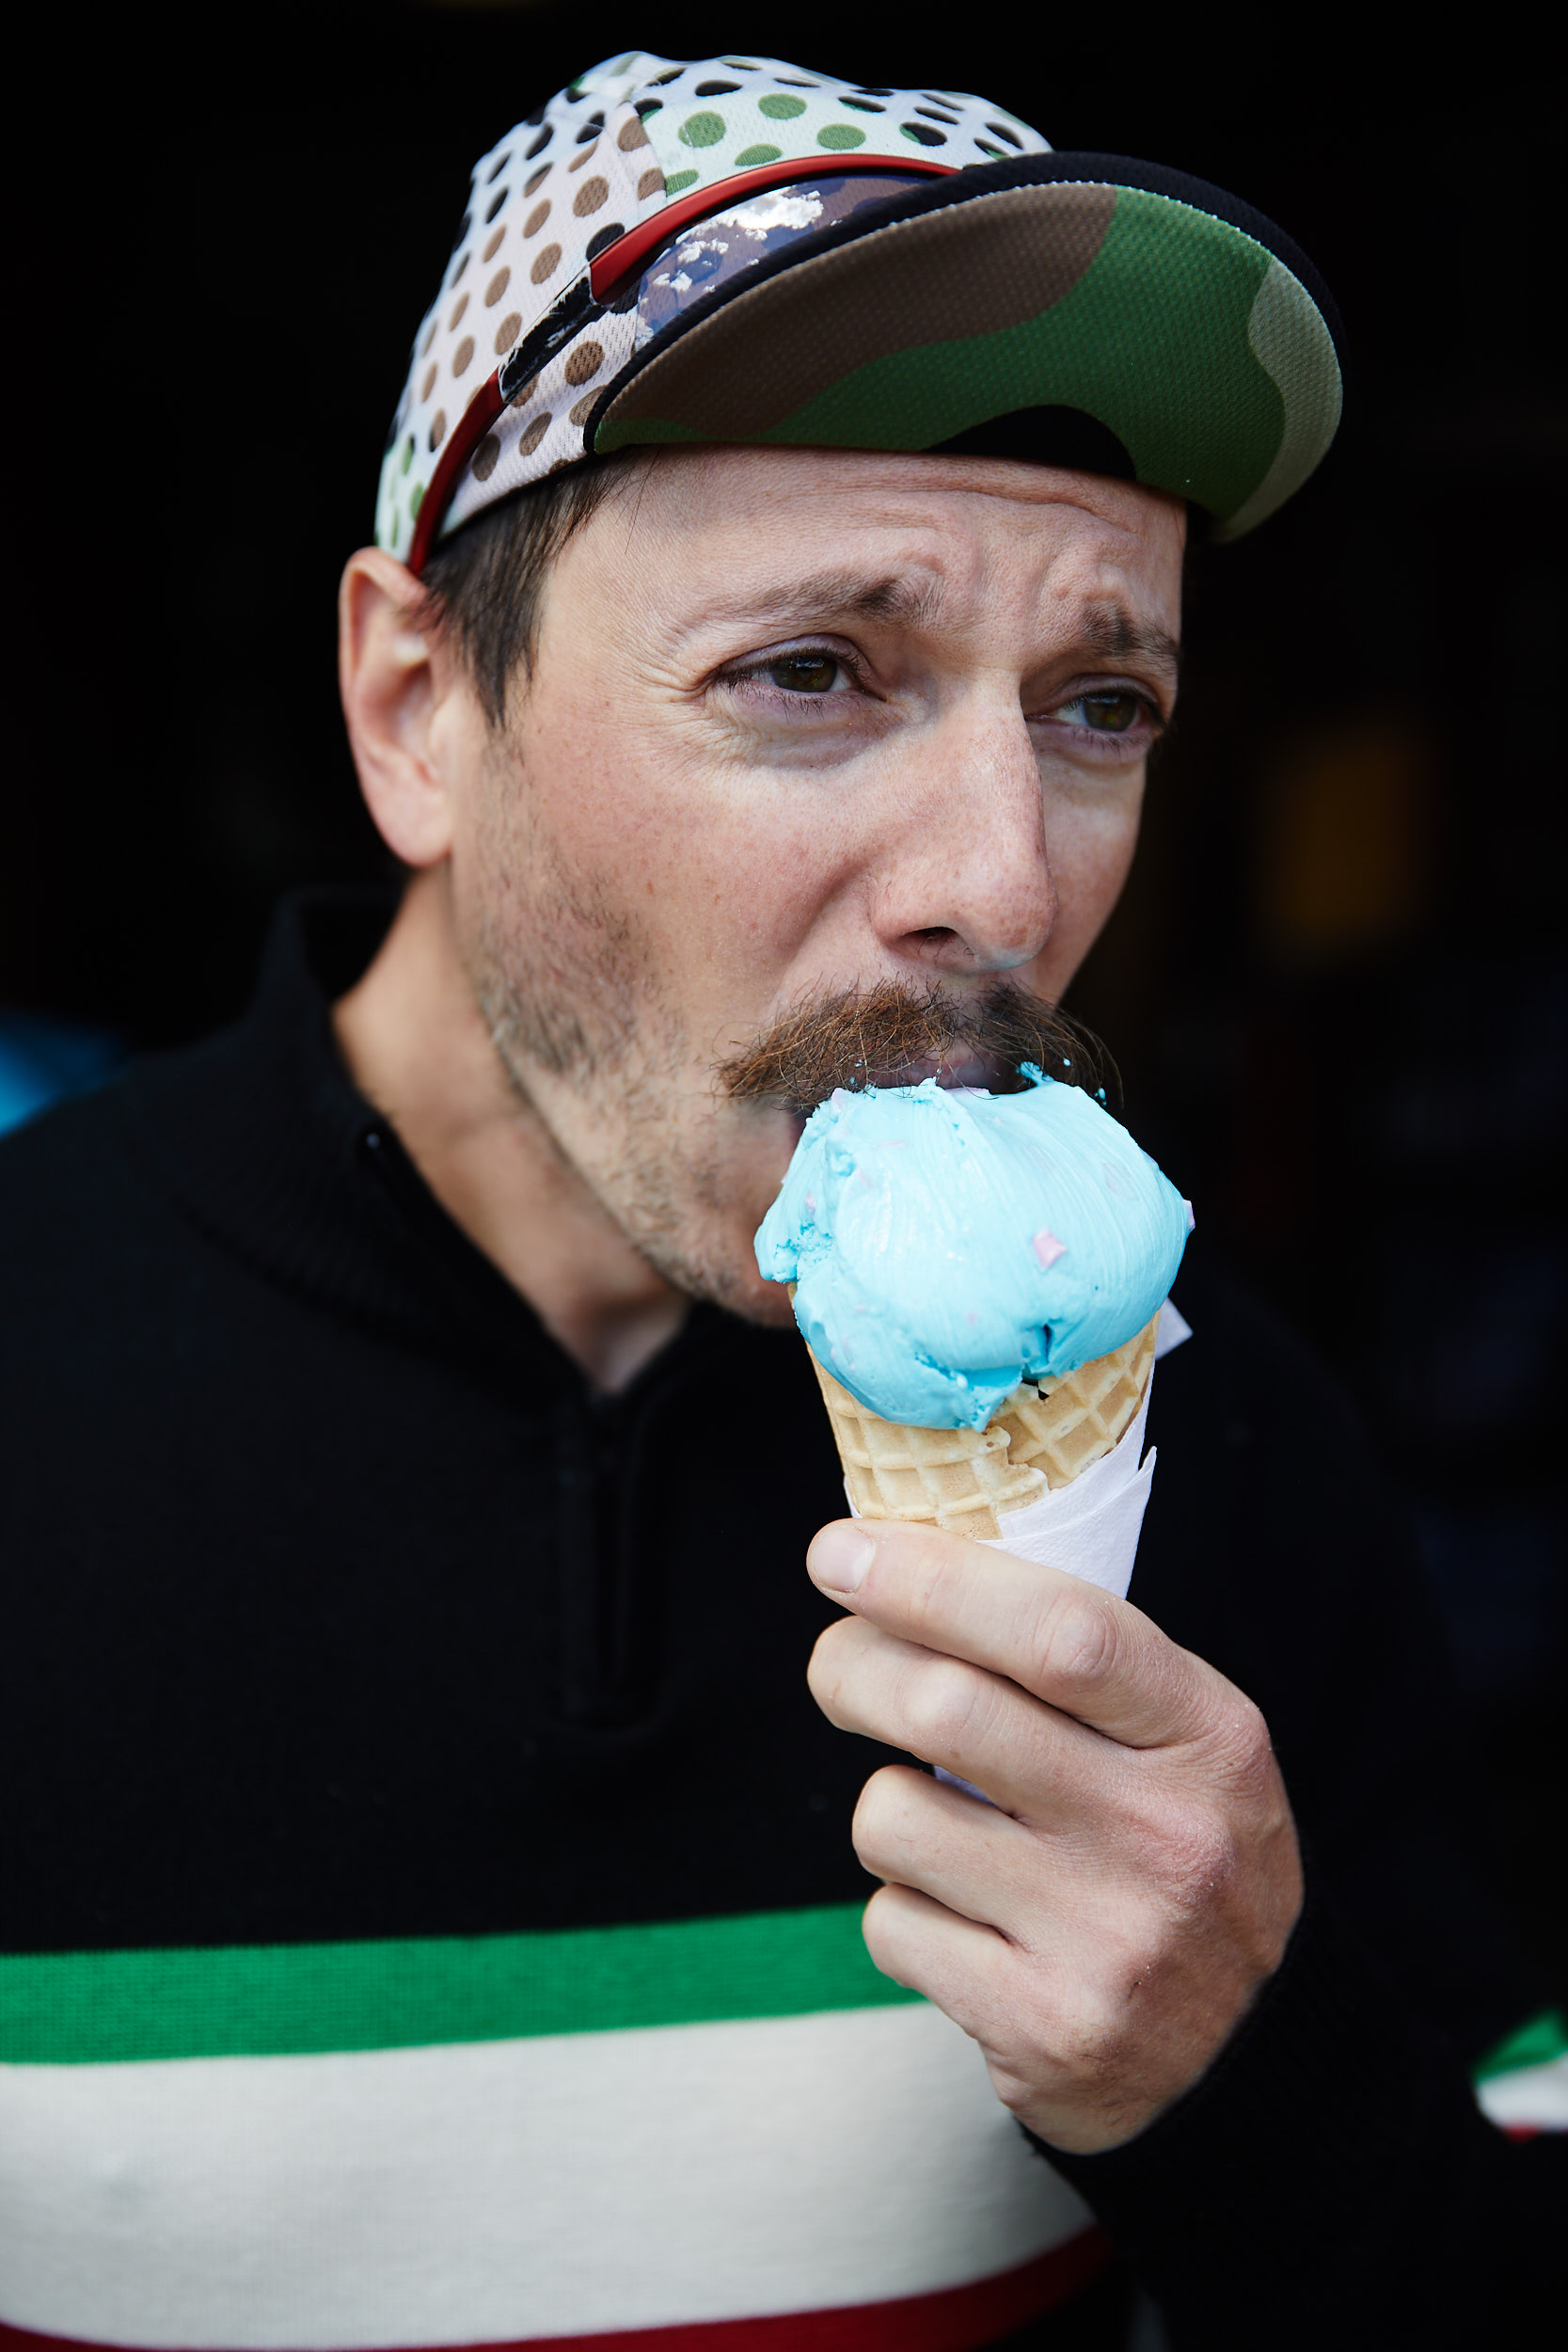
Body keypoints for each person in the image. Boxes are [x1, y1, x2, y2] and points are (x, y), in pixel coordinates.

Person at [1, 46, 1561, 2352]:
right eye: (815, 671)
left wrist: (1258, 2079)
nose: (1003, 882)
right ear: (418, 704)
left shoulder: (1213, 1453)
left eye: (1101, 703)